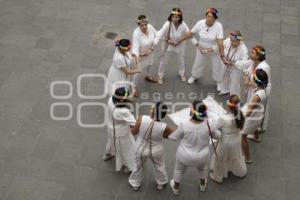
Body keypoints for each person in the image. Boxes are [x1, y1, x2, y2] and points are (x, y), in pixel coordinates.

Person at [168, 100, 221, 195]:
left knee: (178, 170)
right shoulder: (210, 123)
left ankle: (176, 188)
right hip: (202, 155)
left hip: (184, 155)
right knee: (203, 169)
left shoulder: (184, 124)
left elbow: (174, 137)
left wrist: (168, 134)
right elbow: (217, 136)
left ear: (192, 112)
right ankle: (202, 185)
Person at [128, 102, 174, 191]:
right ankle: (161, 183)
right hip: (156, 150)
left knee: (138, 166)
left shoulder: (142, 119)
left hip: (140, 148)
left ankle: (135, 184)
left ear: (152, 111)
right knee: (159, 166)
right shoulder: (164, 127)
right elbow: (172, 136)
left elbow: (133, 132)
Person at [175, 8, 225, 88]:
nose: (209, 19)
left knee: (216, 65)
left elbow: (220, 42)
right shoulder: (200, 23)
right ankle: (194, 76)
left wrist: (222, 55)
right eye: (208, 16)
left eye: (211, 17)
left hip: (213, 48)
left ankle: (218, 81)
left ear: (215, 19)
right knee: (198, 62)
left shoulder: (219, 26)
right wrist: (179, 41)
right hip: (201, 46)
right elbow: (190, 34)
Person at [153, 8, 198, 85]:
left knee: (181, 60)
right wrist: (154, 45)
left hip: (180, 45)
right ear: (171, 17)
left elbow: (189, 34)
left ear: (180, 17)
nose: (174, 19)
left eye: (176, 17)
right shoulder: (167, 24)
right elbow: (160, 34)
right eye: (173, 17)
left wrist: (196, 44)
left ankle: (182, 73)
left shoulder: (183, 25)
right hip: (168, 44)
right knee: (164, 61)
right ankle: (160, 76)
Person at [210, 95, 247, 183]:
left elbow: (214, 128)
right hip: (237, 139)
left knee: (221, 157)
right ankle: (236, 169)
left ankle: (218, 176)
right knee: (235, 155)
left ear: (229, 106)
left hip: (226, 141)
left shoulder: (223, 118)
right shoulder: (241, 114)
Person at [235, 45, 271, 134]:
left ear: (258, 56)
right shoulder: (253, 61)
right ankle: (252, 126)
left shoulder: (264, 68)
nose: (250, 54)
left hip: (257, 91)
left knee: (255, 109)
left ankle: (255, 127)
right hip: (251, 89)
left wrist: (250, 83)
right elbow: (246, 67)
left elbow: (264, 83)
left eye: (252, 53)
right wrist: (247, 77)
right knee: (251, 106)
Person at [102, 87, 137, 173]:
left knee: (111, 141)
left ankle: (108, 153)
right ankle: (131, 166)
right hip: (121, 132)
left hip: (110, 128)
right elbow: (134, 123)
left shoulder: (111, 100)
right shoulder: (123, 111)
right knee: (127, 149)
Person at [241, 69, 268, 163]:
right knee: (256, 127)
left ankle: (248, 158)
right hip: (259, 115)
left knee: (243, 136)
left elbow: (249, 112)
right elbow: (252, 85)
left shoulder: (257, 96)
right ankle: (256, 137)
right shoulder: (263, 89)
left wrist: (240, 114)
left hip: (252, 117)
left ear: (256, 80)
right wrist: (247, 81)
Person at [216, 31, 248, 96]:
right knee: (224, 77)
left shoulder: (244, 49)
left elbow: (245, 63)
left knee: (234, 83)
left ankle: (234, 96)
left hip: (235, 68)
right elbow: (220, 45)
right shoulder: (228, 41)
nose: (231, 42)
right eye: (231, 40)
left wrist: (233, 63)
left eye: (233, 41)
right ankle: (224, 90)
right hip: (225, 63)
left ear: (239, 41)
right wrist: (222, 58)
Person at [131, 15, 158, 93]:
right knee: (137, 72)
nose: (144, 26)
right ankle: (133, 87)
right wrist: (137, 59)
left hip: (150, 52)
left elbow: (157, 35)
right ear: (138, 25)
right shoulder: (136, 34)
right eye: (142, 25)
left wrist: (152, 48)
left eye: (145, 24)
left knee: (150, 64)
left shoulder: (150, 27)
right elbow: (135, 47)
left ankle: (148, 76)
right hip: (140, 56)